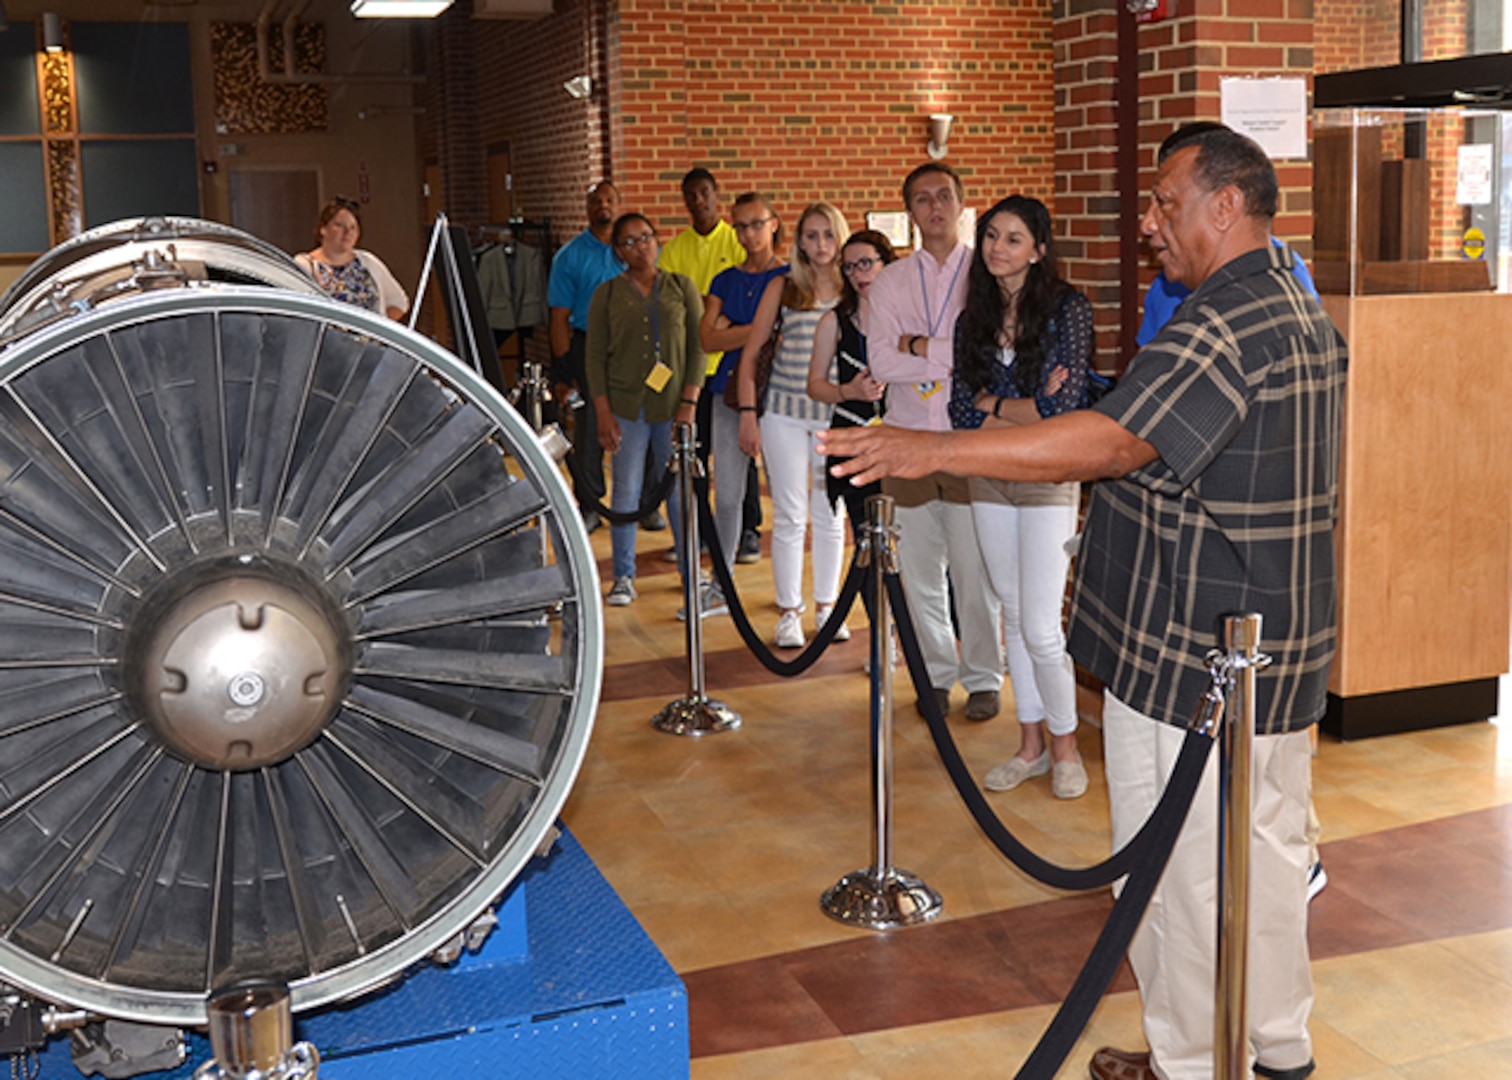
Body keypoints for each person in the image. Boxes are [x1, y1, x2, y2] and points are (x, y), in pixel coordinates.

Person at [820, 122, 1344, 1080]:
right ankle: (1273, 1048)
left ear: (1226, 206)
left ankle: (1191, 1060)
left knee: (1182, 870)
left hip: (1192, 653)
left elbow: (1111, 440)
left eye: (1165, 203)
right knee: (1266, 853)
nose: (1149, 223)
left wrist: (930, 448)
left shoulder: (1225, 318)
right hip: (1271, 651)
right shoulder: (1293, 299)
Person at [949, 194, 1095, 800]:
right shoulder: (971, 317)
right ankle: (1030, 744)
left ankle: (1066, 747)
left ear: (1038, 250)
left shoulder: (1068, 309)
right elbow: (960, 409)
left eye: (1012, 238)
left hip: (1047, 479)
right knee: (1011, 611)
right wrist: (1019, 413)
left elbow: (1064, 408)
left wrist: (993, 404)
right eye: (990, 236)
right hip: (986, 473)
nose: (997, 248)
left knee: (1039, 624)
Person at [866, 162, 1003, 721]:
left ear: (962, 204)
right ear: (910, 212)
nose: (935, 208)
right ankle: (935, 675)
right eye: (922, 200)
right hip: (905, 439)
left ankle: (984, 677)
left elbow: (988, 358)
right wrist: (950, 355)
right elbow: (880, 361)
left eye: (944, 196)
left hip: (970, 440)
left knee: (975, 569)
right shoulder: (891, 281)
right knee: (918, 569)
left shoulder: (987, 275)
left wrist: (919, 344)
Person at [735, 202, 851, 649]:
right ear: (799, 240)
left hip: (832, 416)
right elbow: (751, 354)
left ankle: (827, 606)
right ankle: (789, 611)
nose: (820, 244)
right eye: (811, 235)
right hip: (782, 413)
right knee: (788, 515)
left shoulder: (853, 291)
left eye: (828, 235)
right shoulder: (782, 286)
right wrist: (748, 415)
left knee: (830, 514)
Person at [585, 213, 706, 608]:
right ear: (618, 251)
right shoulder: (606, 294)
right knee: (626, 490)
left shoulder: (680, 286)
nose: (641, 247)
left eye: (647, 238)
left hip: (673, 406)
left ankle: (691, 575)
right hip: (625, 406)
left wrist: (689, 402)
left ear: (658, 241)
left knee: (676, 492)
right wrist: (602, 412)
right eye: (630, 242)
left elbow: (698, 348)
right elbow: (594, 359)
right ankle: (623, 576)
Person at [661, 167, 764, 564]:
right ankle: (704, 532)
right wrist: (712, 318)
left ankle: (750, 531)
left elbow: (747, 306)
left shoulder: (736, 242)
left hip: (735, 366)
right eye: (690, 194)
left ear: (716, 196)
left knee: (741, 453)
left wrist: (713, 317)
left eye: (705, 192)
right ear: (684, 200)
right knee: (695, 453)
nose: (698, 200)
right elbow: (674, 310)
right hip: (691, 368)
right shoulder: (674, 250)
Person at [701, 193, 789, 592]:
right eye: (740, 225)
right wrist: (761, 329)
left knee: (787, 499)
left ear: (774, 223)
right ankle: (722, 583)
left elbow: (787, 337)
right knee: (729, 495)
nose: (749, 233)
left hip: (779, 394)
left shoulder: (788, 278)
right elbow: (706, 338)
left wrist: (733, 331)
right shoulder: (725, 279)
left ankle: (792, 594)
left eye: (756, 223)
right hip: (728, 392)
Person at [807, 229, 895, 547]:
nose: (858, 273)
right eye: (849, 267)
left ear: (887, 264)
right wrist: (849, 392)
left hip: (903, 436)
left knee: (913, 544)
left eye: (866, 263)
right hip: (854, 436)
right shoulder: (834, 321)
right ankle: (872, 599)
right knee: (866, 542)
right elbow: (815, 386)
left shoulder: (910, 320)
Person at [547, 180, 624, 533]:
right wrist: (564, 370)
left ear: (618, 205)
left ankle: (637, 503)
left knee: (637, 424)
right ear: (587, 208)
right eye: (596, 201)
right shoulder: (570, 256)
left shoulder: (631, 248)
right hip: (588, 346)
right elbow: (559, 317)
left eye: (609, 200)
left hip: (629, 347)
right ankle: (590, 504)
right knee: (591, 429)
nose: (603, 206)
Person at [296, 196, 409, 320]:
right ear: (323, 229)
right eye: (340, 225)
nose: (347, 232)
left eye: (353, 227)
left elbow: (399, 302)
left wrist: (380, 328)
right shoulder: (304, 265)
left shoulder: (368, 262)